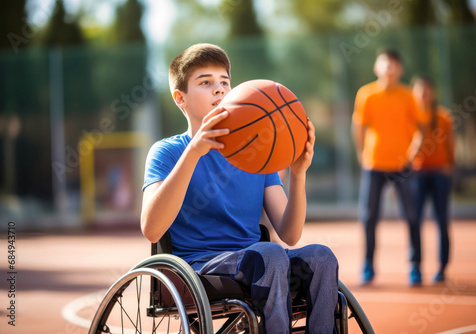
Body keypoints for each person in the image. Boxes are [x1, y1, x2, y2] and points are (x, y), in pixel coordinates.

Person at [140, 43, 338, 333]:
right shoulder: (167, 152)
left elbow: (291, 234)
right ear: (180, 98)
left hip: (258, 262)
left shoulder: (257, 154)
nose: (219, 90)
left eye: (224, 82)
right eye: (205, 82)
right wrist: (194, 153)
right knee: (268, 254)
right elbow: (152, 229)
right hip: (199, 269)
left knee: (321, 257)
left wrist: (298, 174)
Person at [351, 48, 425, 286]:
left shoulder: (408, 95)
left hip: (402, 166)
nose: (389, 67)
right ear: (376, 66)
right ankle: (368, 265)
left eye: (394, 63)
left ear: (400, 69)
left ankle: (415, 266)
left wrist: (412, 155)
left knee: (412, 216)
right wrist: (361, 153)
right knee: (369, 217)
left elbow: (421, 131)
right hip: (374, 164)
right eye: (385, 62)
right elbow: (358, 126)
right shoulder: (366, 94)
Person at [411, 75, 455, 283]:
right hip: (417, 173)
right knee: (415, 220)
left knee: (442, 220)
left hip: (439, 173)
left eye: (427, 90)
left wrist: (449, 167)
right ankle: (416, 267)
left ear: (432, 93)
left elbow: (451, 146)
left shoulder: (444, 117)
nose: (423, 94)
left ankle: (442, 267)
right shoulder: (411, 117)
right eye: (420, 90)